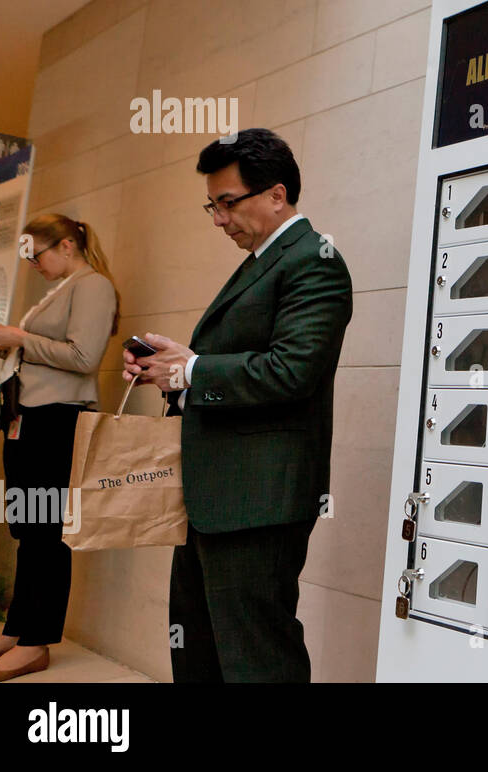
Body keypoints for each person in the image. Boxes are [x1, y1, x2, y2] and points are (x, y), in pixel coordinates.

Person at [123, 128, 352, 682]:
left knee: (256, 659)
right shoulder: (262, 262)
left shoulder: (314, 261)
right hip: (215, 498)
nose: (221, 219)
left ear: (276, 195)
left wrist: (193, 368)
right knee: (199, 650)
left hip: (258, 501)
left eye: (228, 203)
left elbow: (291, 371)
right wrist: (174, 371)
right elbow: (238, 367)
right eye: (213, 206)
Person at [0, 215, 119, 682]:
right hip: (28, 416)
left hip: (58, 419)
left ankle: (36, 642)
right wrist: (10, 343)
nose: (34, 265)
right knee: (28, 529)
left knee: (46, 532)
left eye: (36, 255)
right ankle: (18, 630)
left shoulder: (93, 286)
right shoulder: (60, 288)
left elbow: (84, 357)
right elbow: (47, 352)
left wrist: (20, 339)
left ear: (65, 245)